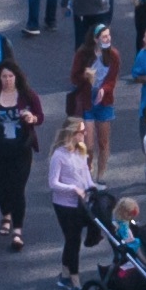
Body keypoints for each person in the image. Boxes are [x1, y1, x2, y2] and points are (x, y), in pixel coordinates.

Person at [0, 69, 44, 250]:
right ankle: (6, 214)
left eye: (10, 76)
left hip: (21, 149)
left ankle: (18, 231)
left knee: (18, 189)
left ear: (17, 77)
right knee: (3, 187)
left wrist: (32, 118)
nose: (8, 80)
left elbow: (40, 116)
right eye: (4, 76)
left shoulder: (27, 95)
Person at [47, 117, 103, 276]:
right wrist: (73, 189)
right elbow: (53, 183)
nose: (85, 134)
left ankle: (65, 273)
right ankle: (74, 278)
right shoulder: (59, 155)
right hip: (64, 205)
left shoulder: (81, 151)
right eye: (81, 131)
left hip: (81, 204)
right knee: (73, 241)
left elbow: (86, 176)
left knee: (75, 239)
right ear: (72, 133)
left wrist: (92, 188)